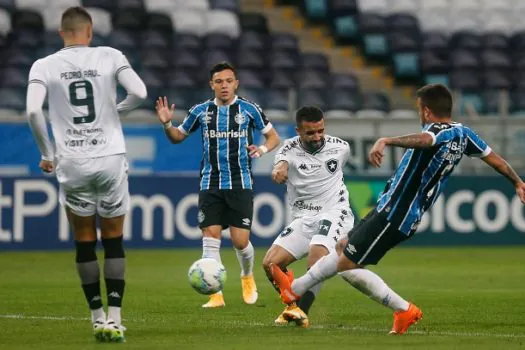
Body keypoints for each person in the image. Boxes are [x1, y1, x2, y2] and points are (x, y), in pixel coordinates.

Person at [270, 84, 525, 335]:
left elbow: (427, 140)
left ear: (426, 111)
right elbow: (496, 160)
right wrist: (517, 182)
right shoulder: (465, 134)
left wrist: (387, 140)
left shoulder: (439, 131)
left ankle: (402, 309)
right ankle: (295, 289)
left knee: (346, 263)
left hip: (397, 213)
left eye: (418, 109)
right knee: (341, 248)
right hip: (390, 208)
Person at [25, 7, 147, 342]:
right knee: (113, 239)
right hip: (109, 156)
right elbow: (140, 93)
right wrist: (112, 112)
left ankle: (96, 318)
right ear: (89, 31)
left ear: (61, 32)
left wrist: (47, 154)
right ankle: (116, 318)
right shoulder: (110, 55)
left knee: (84, 240)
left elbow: (33, 110)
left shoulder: (43, 65)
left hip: (72, 160)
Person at [155, 62, 281, 308]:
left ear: (236, 83)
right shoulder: (200, 111)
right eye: (219, 81)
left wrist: (263, 149)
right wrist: (167, 124)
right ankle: (215, 294)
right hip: (210, 183)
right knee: (210, 236)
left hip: (240, 182)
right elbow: (177, 138)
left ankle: (247, 276)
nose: (224, 85)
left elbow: (273, 136)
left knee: (240, 241)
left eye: (229, 81)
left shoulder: (249, 109)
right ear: (211, 84)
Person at [262, 106, 354, 327]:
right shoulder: (287, 149)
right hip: (304, 218)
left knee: (316, 257)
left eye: (320, 131)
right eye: (310, 133)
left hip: (335, 212)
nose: (317, 137)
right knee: (270, 264)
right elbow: (281, 164)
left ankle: (301, 312)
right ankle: (292, 306)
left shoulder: (340, 148)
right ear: (298, 131)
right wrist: (279, 171)